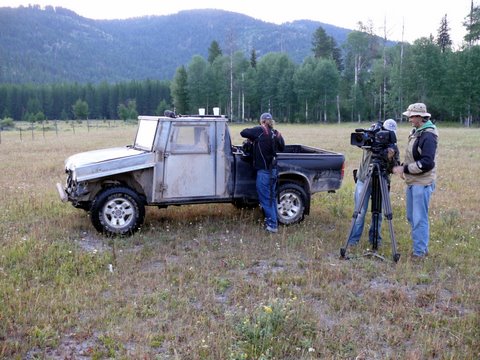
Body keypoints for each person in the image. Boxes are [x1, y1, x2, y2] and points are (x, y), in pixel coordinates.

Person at [393, 103, 438, 259]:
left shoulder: (428, 136)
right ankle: (420, 247)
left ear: (421, 117)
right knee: (412, 217)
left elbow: (427, 163)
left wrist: (404, 169)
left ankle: (419, 253)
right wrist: (401, 166)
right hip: (413, 182)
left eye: (411, 116)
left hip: (422, 183)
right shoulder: (417, 132)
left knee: (419, 218)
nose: (409, 119)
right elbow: (413, 157)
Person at [347, 119, 400, 247]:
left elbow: (395, 167)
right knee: (359, 212)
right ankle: (353, 241)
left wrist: (389, 158)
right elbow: (360, 142)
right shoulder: (370, 141)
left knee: (378, 214)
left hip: (381, 180)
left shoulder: (392, 147)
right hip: (364, 180)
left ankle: (375, 240)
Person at [240, 113, 285, 233]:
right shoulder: (276, 133)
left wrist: (254, 134)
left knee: (265, 200)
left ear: (262, 121)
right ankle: (274, 222)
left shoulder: (259, 130)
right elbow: (282, 147)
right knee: (271, 199)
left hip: (264, 172)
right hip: (274, 171)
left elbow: (243, 132)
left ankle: (272, 226)